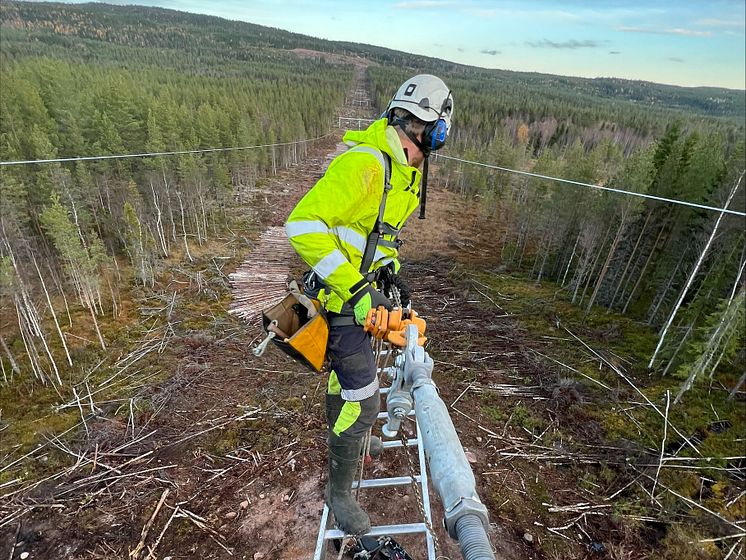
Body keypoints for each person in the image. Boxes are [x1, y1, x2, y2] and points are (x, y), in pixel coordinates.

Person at [285, 74, 454, 535]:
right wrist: (357, 291)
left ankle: (355, 445)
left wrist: (389, 269)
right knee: (364, 400)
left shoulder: (402, 173)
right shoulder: (368, 165)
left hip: (359, 292)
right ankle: (339, 494)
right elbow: (301, 225)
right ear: (432, 130)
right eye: (441, 131)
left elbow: (377, 235)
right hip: (340, 300)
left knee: (348, 383)